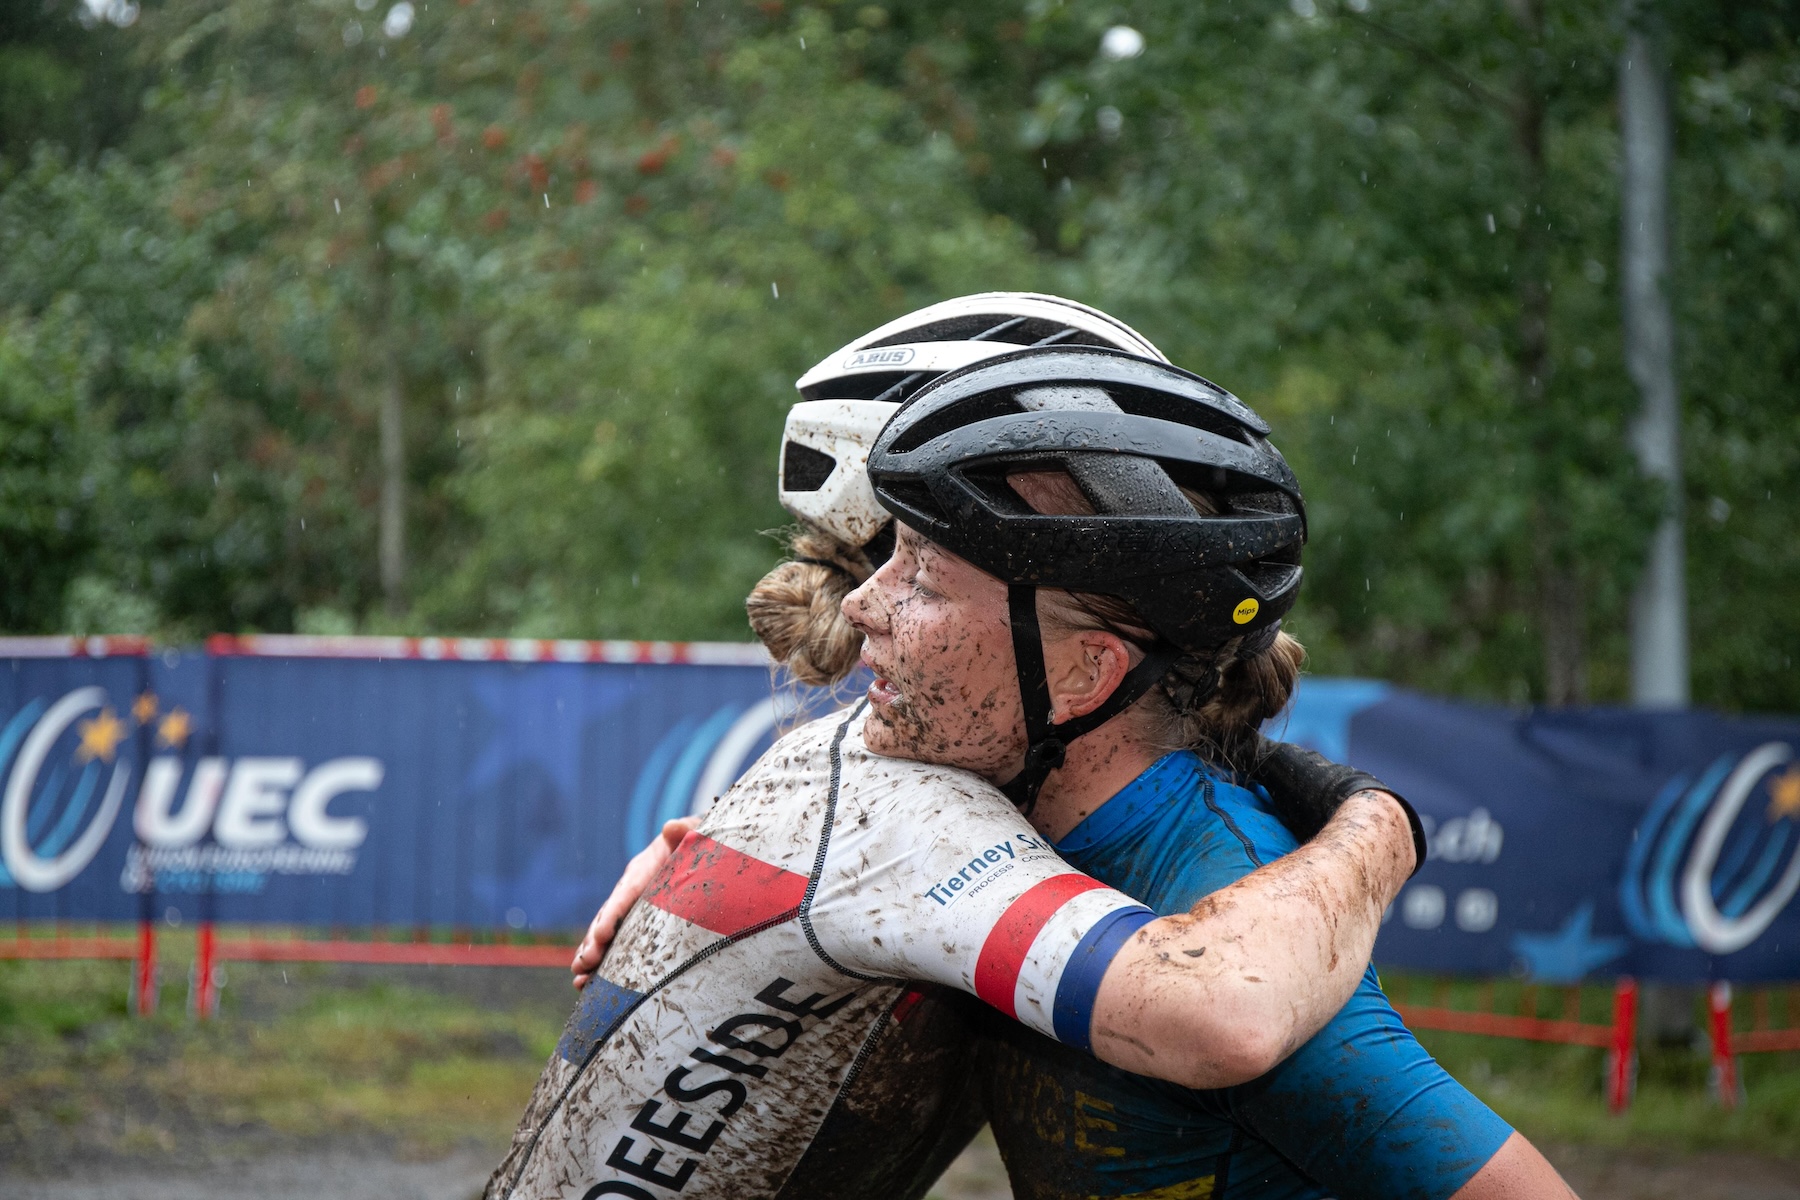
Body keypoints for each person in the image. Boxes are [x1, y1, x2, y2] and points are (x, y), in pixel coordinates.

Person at [580, 341, 1578, 1198]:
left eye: (920, 574)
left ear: (1084, 671)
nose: (863, 609)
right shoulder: (1007, 817)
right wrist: (729, 860)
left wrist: (1381, 824)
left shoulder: (1217, 897)